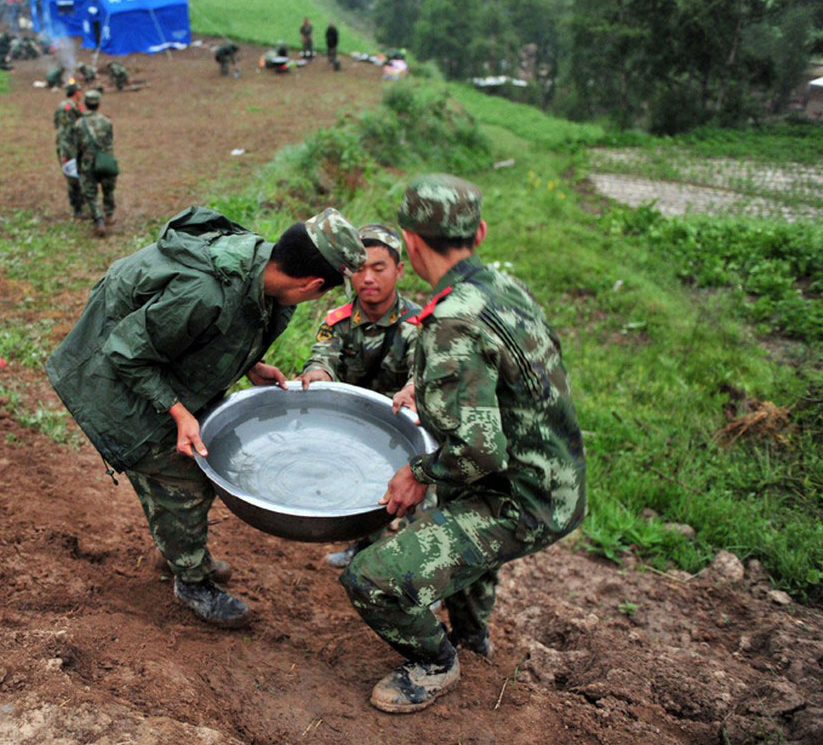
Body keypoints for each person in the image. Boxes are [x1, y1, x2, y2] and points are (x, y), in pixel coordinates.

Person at [46, 207, 367, 628]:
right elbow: (125, 351)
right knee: (182, 479)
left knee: (197, 465)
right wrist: (179, 413)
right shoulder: (204, 292)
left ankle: (178, 546)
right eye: (321, 294)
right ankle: (191, 581)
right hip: (112, 372)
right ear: (313, 284)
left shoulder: (263, 271)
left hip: (159, 357)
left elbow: (235, 324)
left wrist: (253, 364)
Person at [339, 175, 587, 713]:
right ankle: (473, 640)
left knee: (369, 579)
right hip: (554, 479)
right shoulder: (499, 288)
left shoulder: (452, 321)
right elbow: (497, 381)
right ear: (479, 233)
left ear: (410, 244)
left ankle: (435, 663)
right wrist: (422, 386)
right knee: (457, 528)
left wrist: (418, 473)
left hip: (520, 499)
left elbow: (479, 451)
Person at [298, 223, 423, 568]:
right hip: (357, 426)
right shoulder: (337, 321)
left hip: (406, 427)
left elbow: (423, 371)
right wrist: (318, 374)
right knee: (364, 485)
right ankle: (364, 547)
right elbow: (322, 356)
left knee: (420, 501)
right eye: (359, 269)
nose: (368, 278)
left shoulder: (419, 326)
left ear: (398, 270)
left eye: (378, 268)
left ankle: (420, 569)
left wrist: (415, 388)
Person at [72, 89, 116, 237]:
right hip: (104, 160)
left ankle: (99, 220)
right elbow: (109, 142)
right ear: (99, 104)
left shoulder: (79, 124)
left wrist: (78, 164)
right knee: (108, 189)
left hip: (87, 161)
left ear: (85, 104)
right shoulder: (107, 121)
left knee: (90, 193)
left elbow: (77, 147)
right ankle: (109, 214)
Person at [53, 83, 86, 220]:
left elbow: (55, 123)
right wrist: (65, 154)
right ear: (75, 93)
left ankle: (81, 204)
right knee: (73, 178)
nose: (81, 93)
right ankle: (77, 209)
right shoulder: (69, 108)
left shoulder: (67, 106)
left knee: (79, 175)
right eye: (79, 91)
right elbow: (67, 132)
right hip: (69, 148)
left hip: (74, 146)